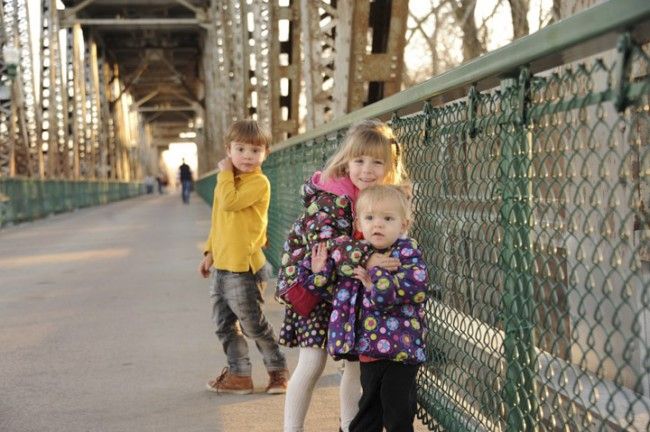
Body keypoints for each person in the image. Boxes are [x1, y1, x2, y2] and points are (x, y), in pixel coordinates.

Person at [276, 119, 405, 432]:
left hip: (349, 293)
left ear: (390, 166)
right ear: (346, 160)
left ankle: (350, 427)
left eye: (377, 162)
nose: (367, 169)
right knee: (312, 363)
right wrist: (369, 257)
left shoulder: (380, 198)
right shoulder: (329, 197)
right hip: (316, 287)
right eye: (359, 161)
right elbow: (331, 243)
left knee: (354, 364)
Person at [310, 185, 429, 432]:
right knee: (368, 410)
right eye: (370, 218)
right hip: (369, 349)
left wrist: (374, 281)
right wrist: (320, 273)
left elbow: (415, 287)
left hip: (401, 351)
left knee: (398, 414)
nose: (378, 225)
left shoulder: (407, 254)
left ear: (404, 225)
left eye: (388, 219)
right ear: (359, 224)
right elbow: (338, 296)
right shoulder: (359, 255)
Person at [198, 119, 288, 395]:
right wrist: (209, 252)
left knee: (253, 325)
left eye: (255, 150)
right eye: (240, 149)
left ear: (265, 154)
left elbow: (230, 202)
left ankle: (278, 371)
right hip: (223, 267)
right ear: (229, 150)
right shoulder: (228, 182)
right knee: (224, 325)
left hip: (244, 269)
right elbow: (219, 219)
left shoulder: (258, 182)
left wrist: (224, 173)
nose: (248, 156)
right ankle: (239, 375)